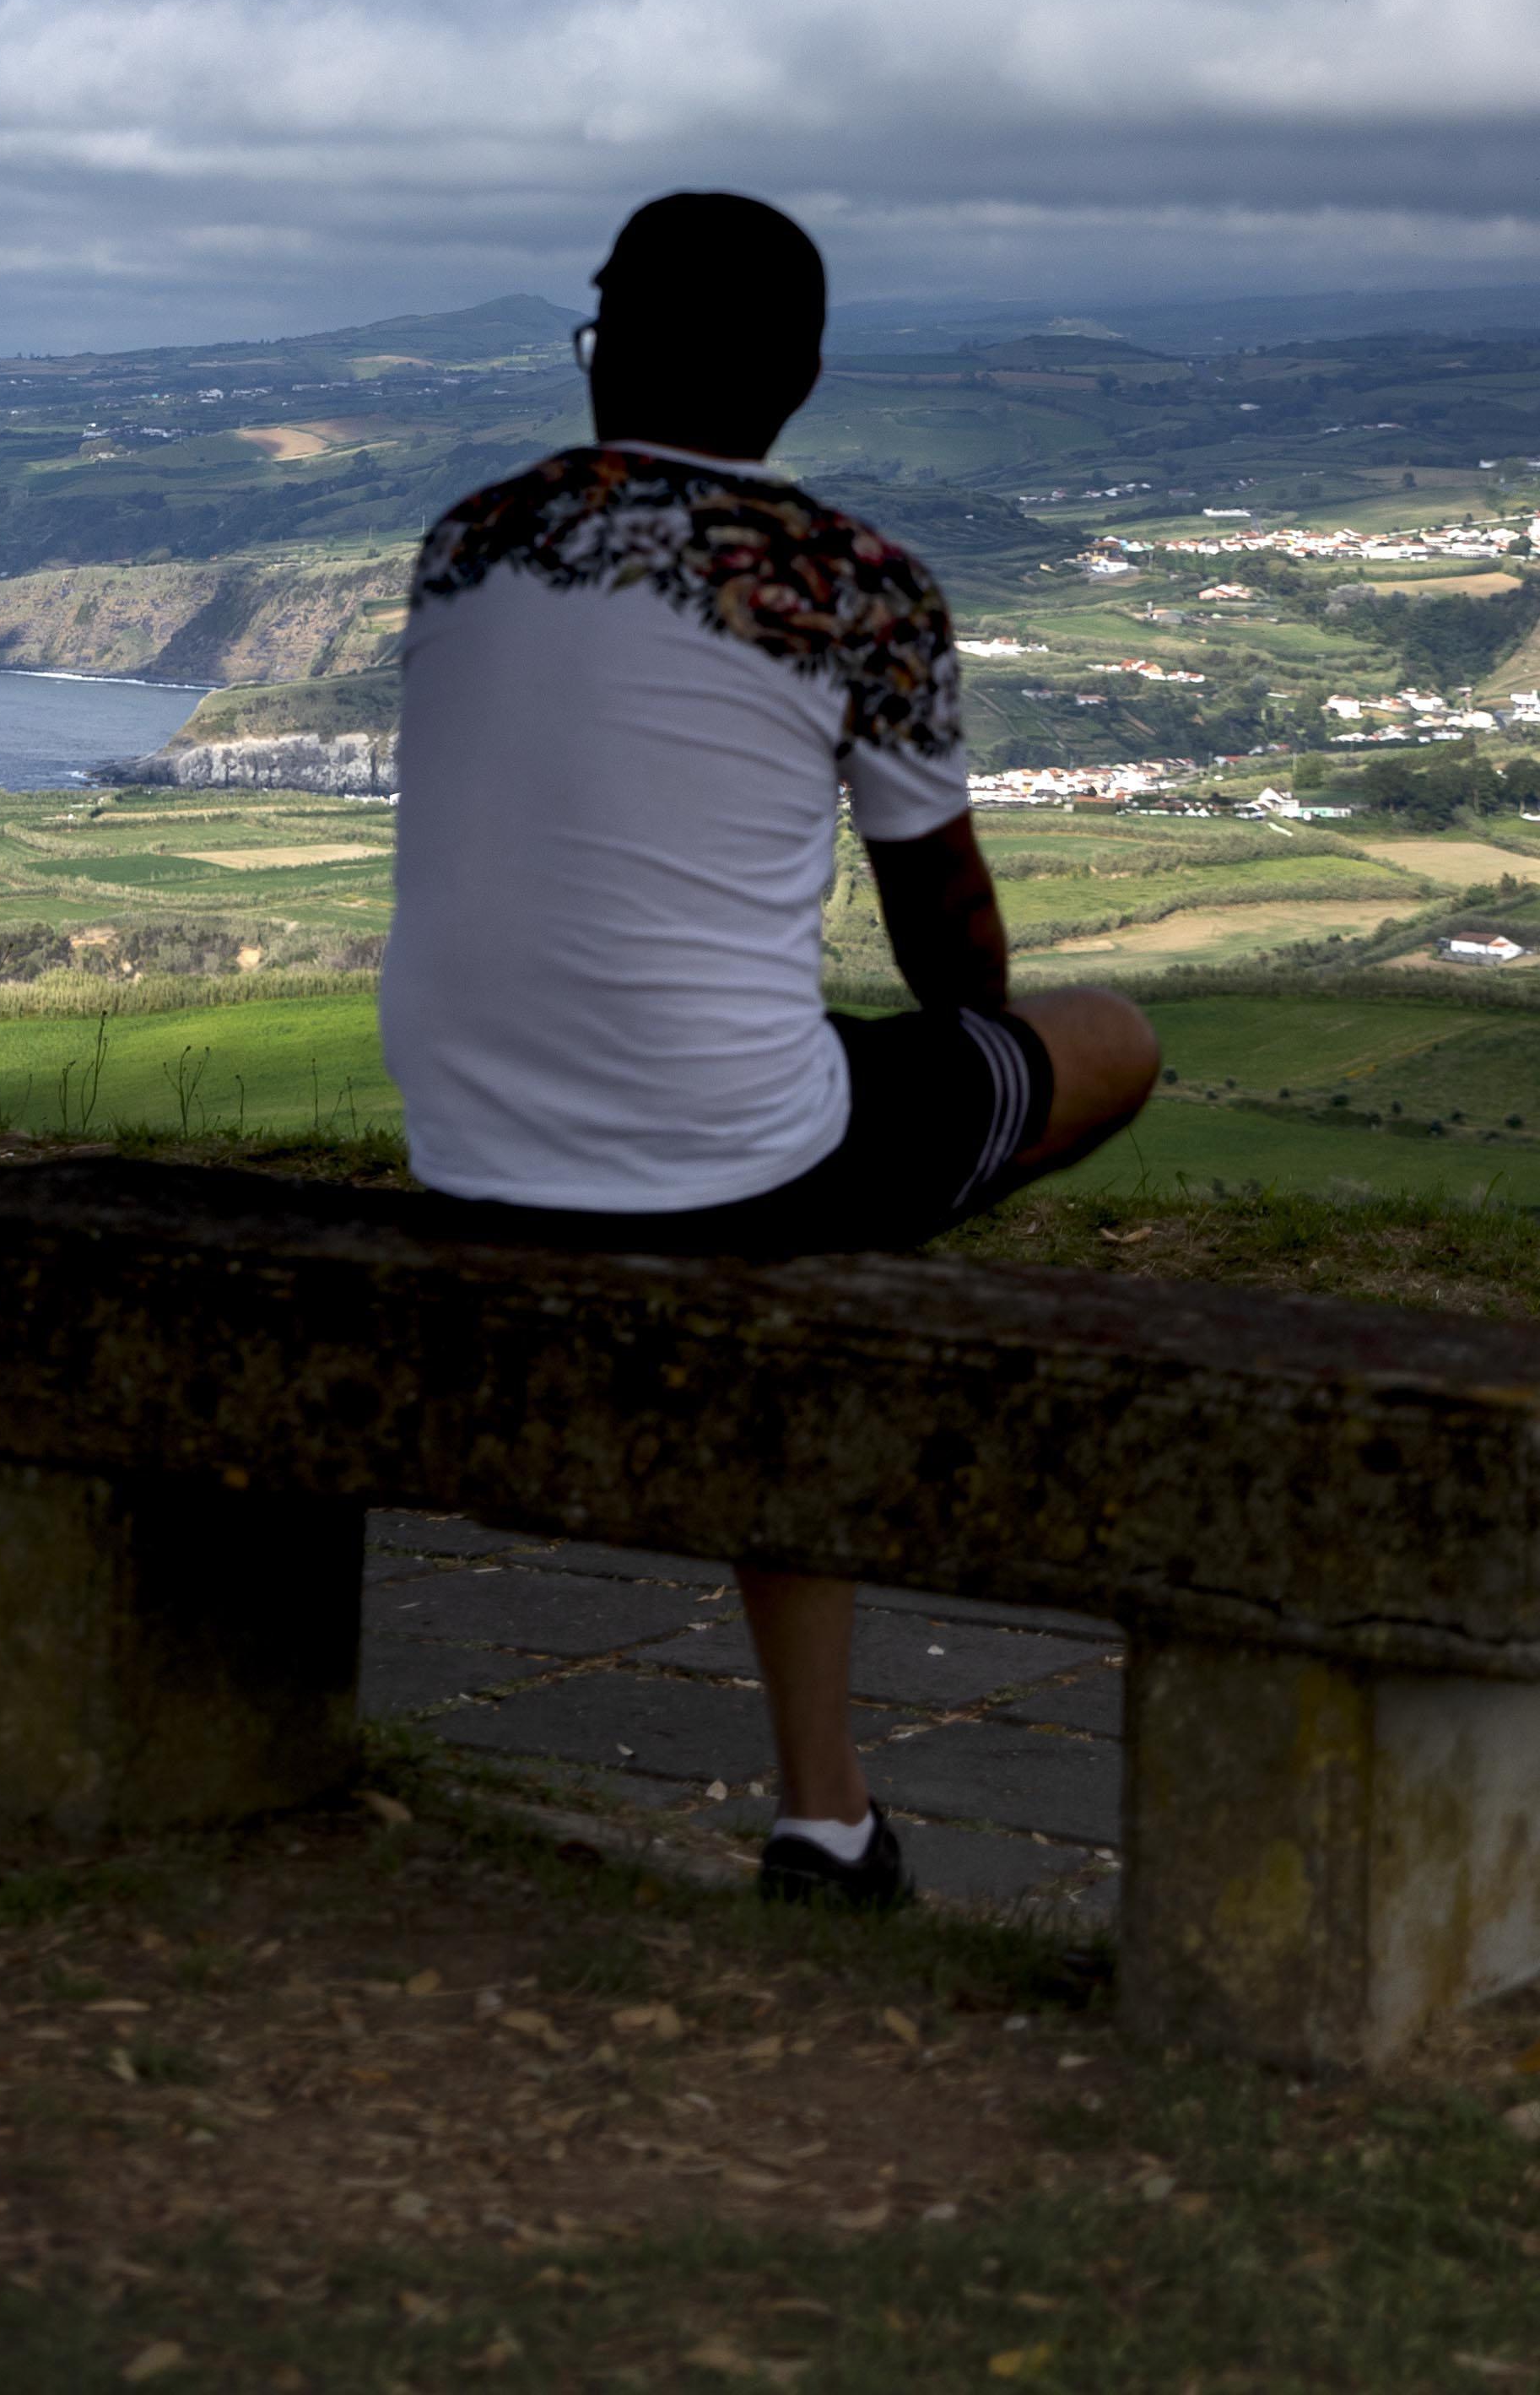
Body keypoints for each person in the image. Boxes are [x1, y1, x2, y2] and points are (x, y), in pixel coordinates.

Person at [378, 190, 1161, 1911]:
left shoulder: (468, 540)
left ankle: (833, 1814)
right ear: (801, 372)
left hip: (468, 1147)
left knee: (779, 1208)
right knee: (1106, 1039)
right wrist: (964, 1074)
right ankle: (820, 1812)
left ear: (609, 351)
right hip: (743, 1162)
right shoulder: (854, 582)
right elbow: (947, 936)